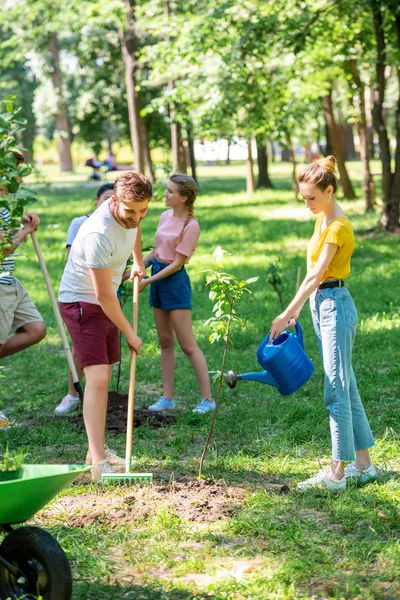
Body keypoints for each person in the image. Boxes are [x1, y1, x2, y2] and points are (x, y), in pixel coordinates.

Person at [269, 156, 375, 491]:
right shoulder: (323, 218)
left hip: (335, 306)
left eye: (312, 197)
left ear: (329, 191)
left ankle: (336, 474)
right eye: (303, 198)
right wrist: (302, 308)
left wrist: (288, 312)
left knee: (335, 389)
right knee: (346, 384)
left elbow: (316, 274)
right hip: (322, 304)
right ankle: (365, 465)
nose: (307, 204)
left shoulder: (338, 227)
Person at [58, 171, 152, 482]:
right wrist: (130, 333)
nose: (137, 218)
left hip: (103, 302)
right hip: (83, 303)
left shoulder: (131, 215)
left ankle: (94, 451)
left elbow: (134, 231)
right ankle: (98, 462)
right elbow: (104, 295)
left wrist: (137, 260)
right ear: (114, 201)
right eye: (130, 212)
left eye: (144, 211)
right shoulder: (97, 234)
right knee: (97, 379)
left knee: (104, 376)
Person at [140, 174, 216, 415]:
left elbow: (177, 264)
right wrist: (140, 266)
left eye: (171, 192)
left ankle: (208, 399)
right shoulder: (164, 216)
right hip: (157, 280)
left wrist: (148, 280)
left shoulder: (190, 226)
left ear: (184, 197)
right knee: (165, 342)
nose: (165, 194)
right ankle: (167, 397)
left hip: (173, 282)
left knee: (187, 345)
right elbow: (156, 251)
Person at [55, 183, 115, 416]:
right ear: (96, 200)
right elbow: (74, 257)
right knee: (81, 348)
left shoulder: (116, 226)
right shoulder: (81, 224)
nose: (109, 203)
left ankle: (97, 400)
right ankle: (72, 393)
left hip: (108, 293)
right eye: (106, 198)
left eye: (114, 199)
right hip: (83, 295)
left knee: (104, 352)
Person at [0, 151, 46, 428]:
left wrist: (24, 222)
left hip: (11, 283)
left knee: (36, 328)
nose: (19, 175)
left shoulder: (7, 204)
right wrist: (23, 233)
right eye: (15, 169)